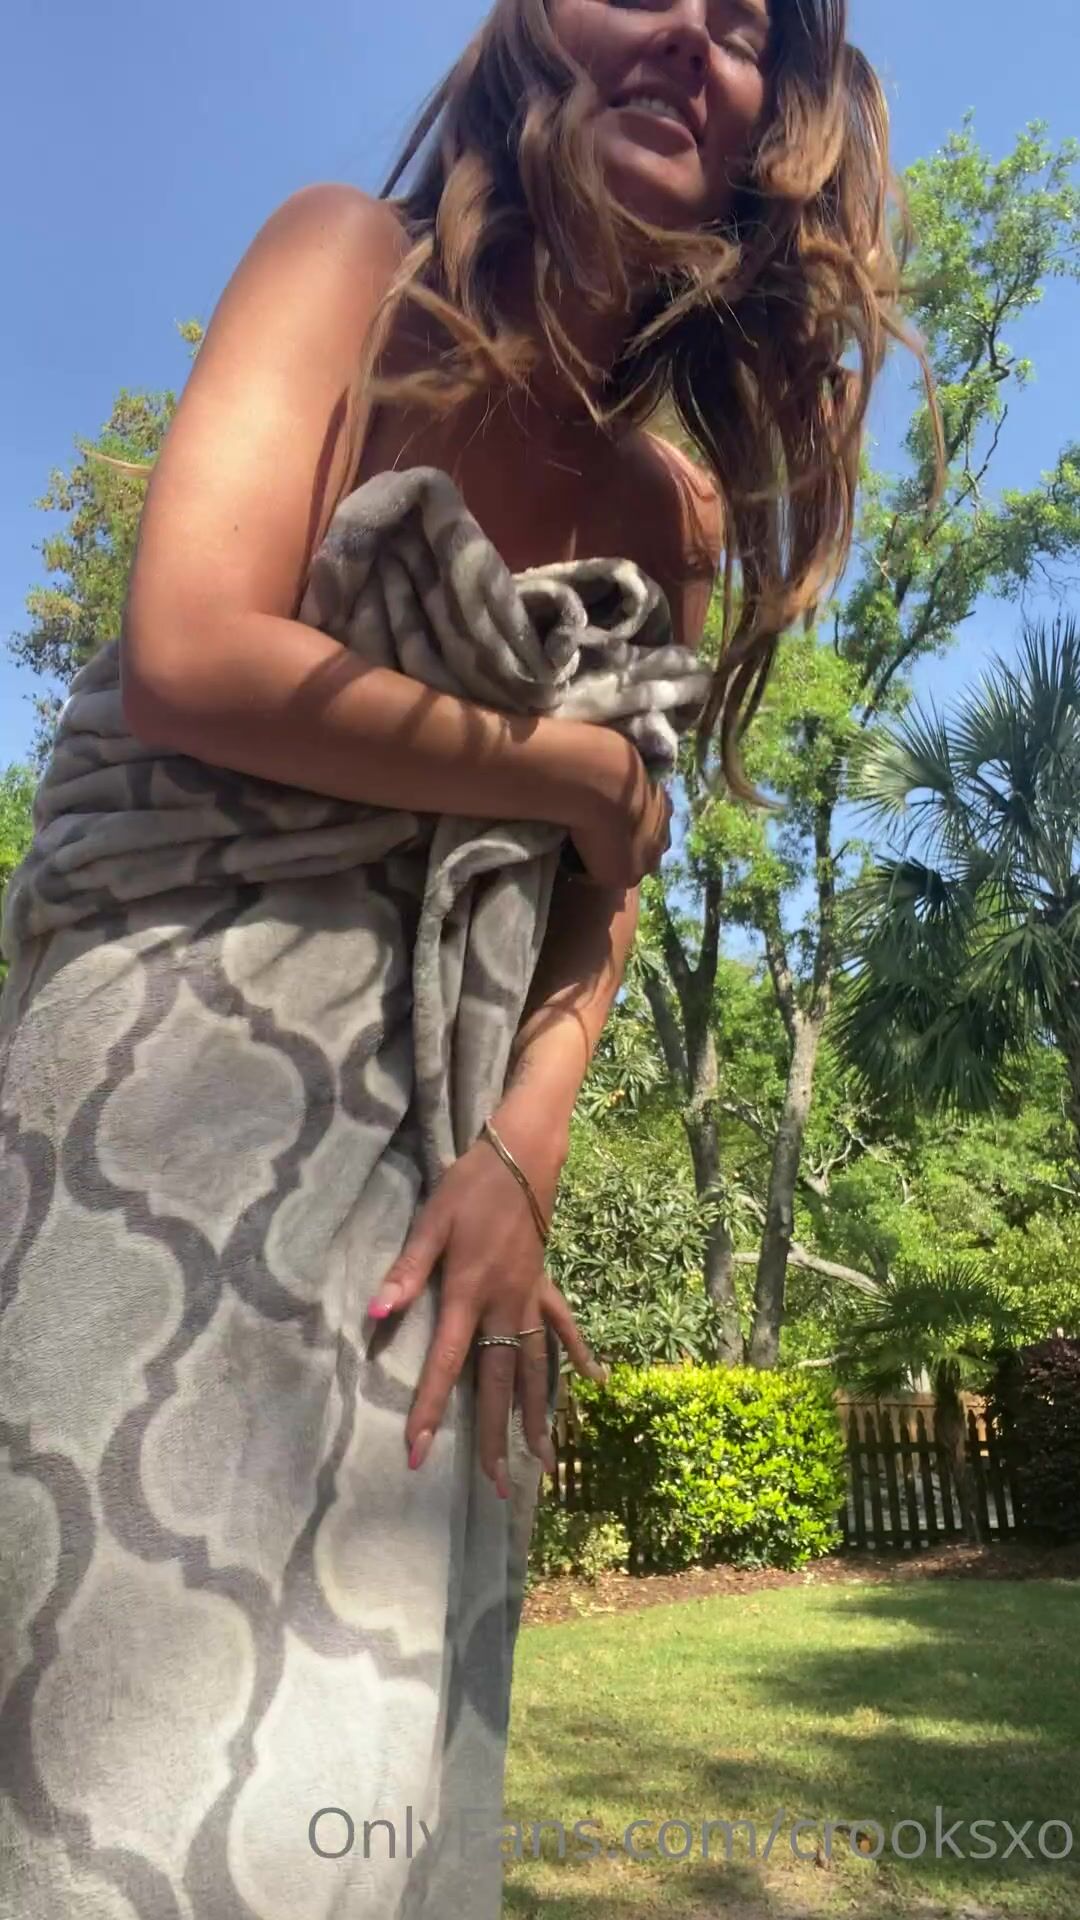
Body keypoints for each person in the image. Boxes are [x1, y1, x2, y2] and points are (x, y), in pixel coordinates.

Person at [0, 3, 931, 1916]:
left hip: (447, 1161)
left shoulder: (667, 511)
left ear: (773, 134)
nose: (692, 36)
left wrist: (525, 1153)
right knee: (105, 1715)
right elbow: (190, 650)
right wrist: (558, 764)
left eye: (750, 27)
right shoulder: (349, 263)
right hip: (166, 1080)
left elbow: (610, 888)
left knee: (363, 1745)